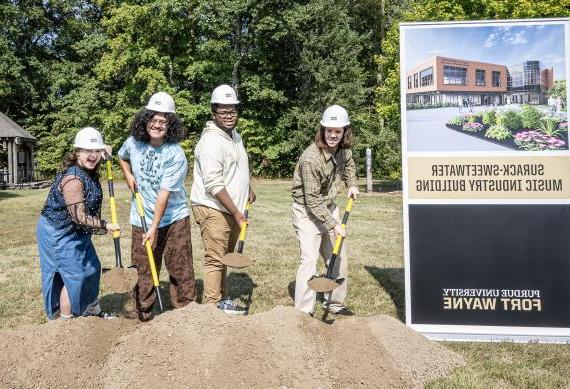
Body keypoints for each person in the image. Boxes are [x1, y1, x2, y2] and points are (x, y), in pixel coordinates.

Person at [118, 91, 197, 321]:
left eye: (163, 121)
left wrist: (153, 228)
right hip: (140, 217)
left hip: (173, 219)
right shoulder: (133, 143)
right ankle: (143, 316)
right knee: (142, 270)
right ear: (145, 119)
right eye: (153, 119)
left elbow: (163, 195)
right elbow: (122, 157)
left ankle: (187, 316)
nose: (157, 124)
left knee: (180, 269)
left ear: (170, 125)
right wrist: (128, 174)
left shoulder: (176, 154)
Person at [37, 127, 120, 320]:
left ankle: (91, 309)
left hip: (76, 231)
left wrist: (104, 153)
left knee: (91, 268)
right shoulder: (73, 178)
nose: (92, 156)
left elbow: (100, 153)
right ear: (77, 153)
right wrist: (105, 225)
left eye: (96, 151)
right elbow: (78, 216)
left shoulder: (89, 165)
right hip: (58, 231)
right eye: (87, 151)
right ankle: (66, 322)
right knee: (74, 276)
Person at [191, 84, 255, 315]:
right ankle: (211, 307)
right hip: (213, 208)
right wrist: (237, 213)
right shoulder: (210, 142)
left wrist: (248, 187)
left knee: (224, 257)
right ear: (213, 112)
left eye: (233, 111)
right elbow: (214, 184)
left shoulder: (234, 136)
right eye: (224, 112)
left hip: (229, 209)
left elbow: (236, 167)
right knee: (216, 259)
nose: (229, 116)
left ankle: (222, 300)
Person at [291, 104, 359, 316]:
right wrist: (334, 225)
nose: (332, 135)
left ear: (344, 132)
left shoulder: (343, 150)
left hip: (329, 206)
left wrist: (352, 185)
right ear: (322, 130)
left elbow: (349, 166)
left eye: (337, 131)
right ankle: (303, 312)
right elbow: (311, 200)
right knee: (309, 259)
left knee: (338, 257)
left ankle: (335, 302)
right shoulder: (310, 158)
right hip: (306, 211)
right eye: (329, 130)